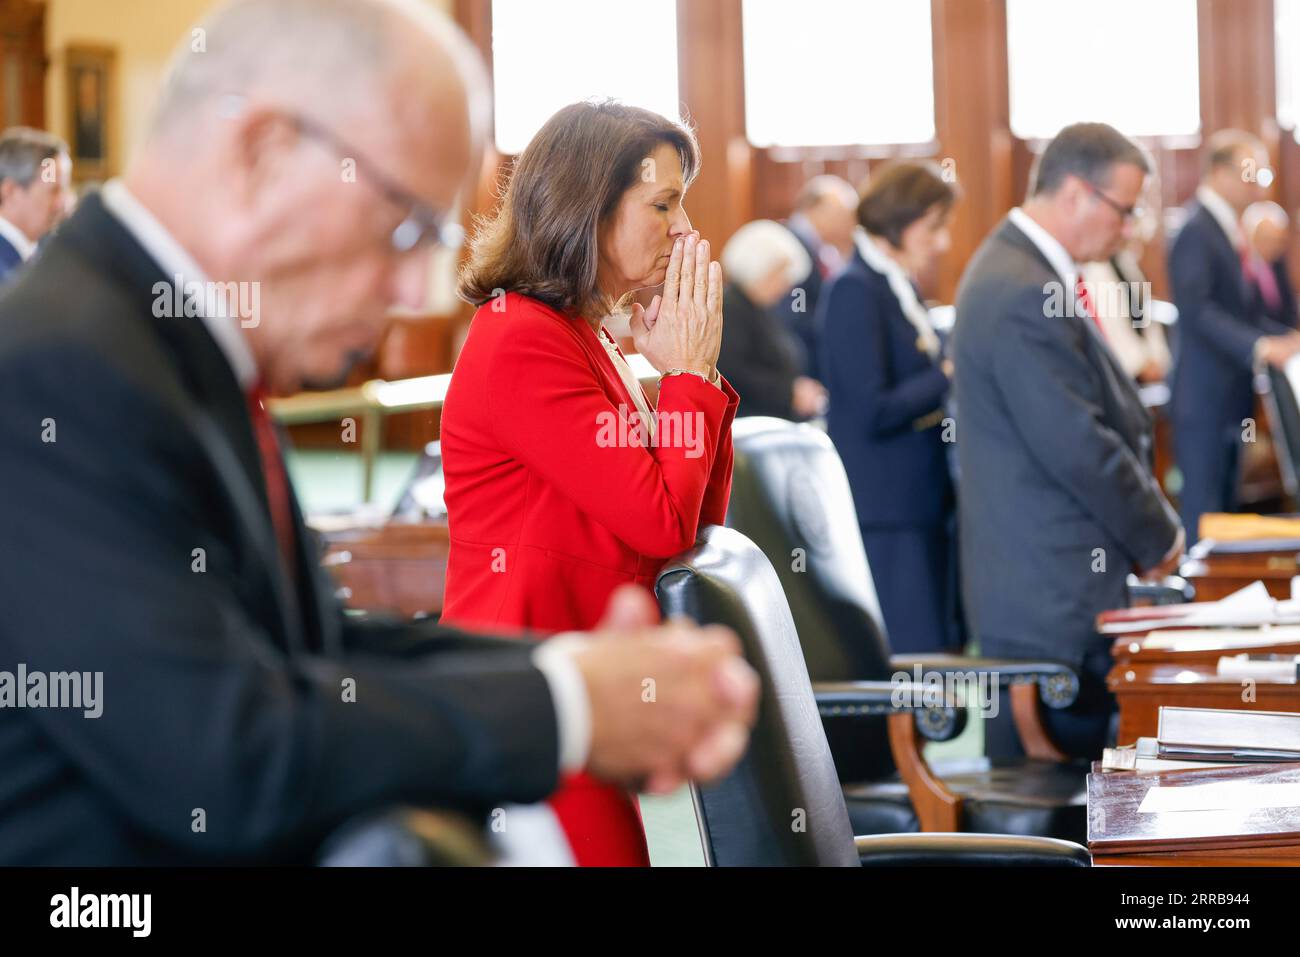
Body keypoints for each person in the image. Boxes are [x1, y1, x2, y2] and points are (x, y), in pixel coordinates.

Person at [0, 0, 757, 865]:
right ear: (266, 153)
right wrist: (570, 708)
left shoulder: (167, 344)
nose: (414, 293)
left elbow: (315, 646)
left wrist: (574, 678)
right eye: (406, 227)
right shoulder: (61, 367)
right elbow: (226, 753)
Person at [442, 101, 739, 866]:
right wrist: (683, 376)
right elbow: (659, 518)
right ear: (588, 209)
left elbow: (693, 523)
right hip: (529, 698)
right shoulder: (521, 338)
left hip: (582, 685)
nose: (683, 229)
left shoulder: (587, 336)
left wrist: (692, 375)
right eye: (663, 204)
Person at [952, 123, 1183, 760]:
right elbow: (1079, 444)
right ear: (1077, 193)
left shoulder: (1030, 272)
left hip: (1060, 587)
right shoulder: (1020, 286)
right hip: (1047, 608)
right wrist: (1160, 536)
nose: (1131, 227)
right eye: (1126, 209)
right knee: (1062, 832)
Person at [817, 161, 960, 653]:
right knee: (910, 656)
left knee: (933, 648)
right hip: (887, 504)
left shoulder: (895, 283)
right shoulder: (854, 288)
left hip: (918, 496)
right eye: (934, 226)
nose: (941, 243)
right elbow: (869, 409)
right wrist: (945, 376)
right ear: (902, 218)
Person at [1168, 130, 1300, 541]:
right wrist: (1261, 346)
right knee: (1204, 519)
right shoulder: (1196, 228)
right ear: (1219, 173)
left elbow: (1243, 312)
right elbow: (1199, 311)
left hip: (1228, 397)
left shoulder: (1228, 229)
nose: (1257, 182)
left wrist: (1283, 338)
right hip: (1204, 399)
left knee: (1224, 515)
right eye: (1249, 172)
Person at [717, 218, 825, 419]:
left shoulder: (761, 308)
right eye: (780, 275)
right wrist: (789, 394)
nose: (786, 285)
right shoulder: (731, 308)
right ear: (759, 268)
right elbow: (733, 374)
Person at [776, 175, 859, 380]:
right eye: (841, 214)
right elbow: (793, 312)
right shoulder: (791, 243)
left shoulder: (817, 248)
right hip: (799, 365)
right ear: (818, 208)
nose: (846, 224)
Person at [0, 127, 72, 281]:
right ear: (10, 191)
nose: (63, 203)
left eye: (64, 190)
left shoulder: (51, 250)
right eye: (54, 191)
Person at [1243, 200, 1297, 329]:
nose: (1275, 247)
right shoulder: (1242, 267)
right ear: (1253, 236)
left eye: (1279, 241)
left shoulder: (1278, 263)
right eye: (1268, 239)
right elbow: (1250, 316)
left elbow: (1289, 307)